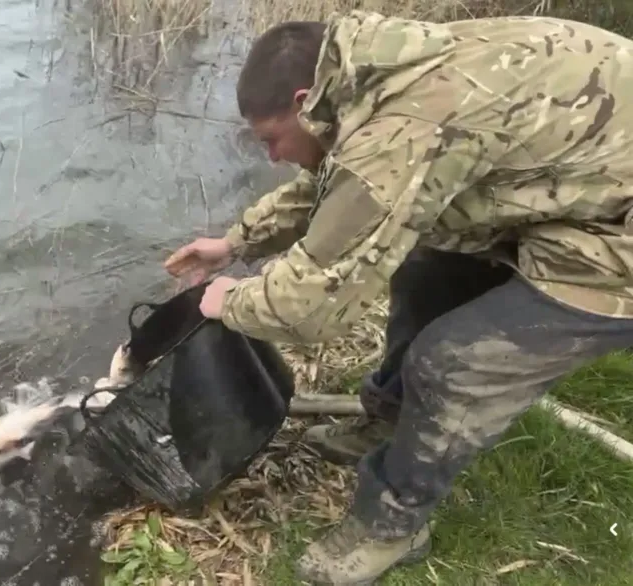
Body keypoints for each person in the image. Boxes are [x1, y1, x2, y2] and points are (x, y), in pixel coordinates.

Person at [164, 10, 633, 585]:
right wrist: (236, 243)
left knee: (453, 364)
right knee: (422, 262)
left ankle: (393, 523)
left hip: (617, 243)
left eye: (271, 140)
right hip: (583, 190)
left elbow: (312, 305)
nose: (271, 158)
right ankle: (390, 420)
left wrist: (227, 302)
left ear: (306, 98)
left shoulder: (410, 122)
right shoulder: (377, 74)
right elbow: (338, 178)